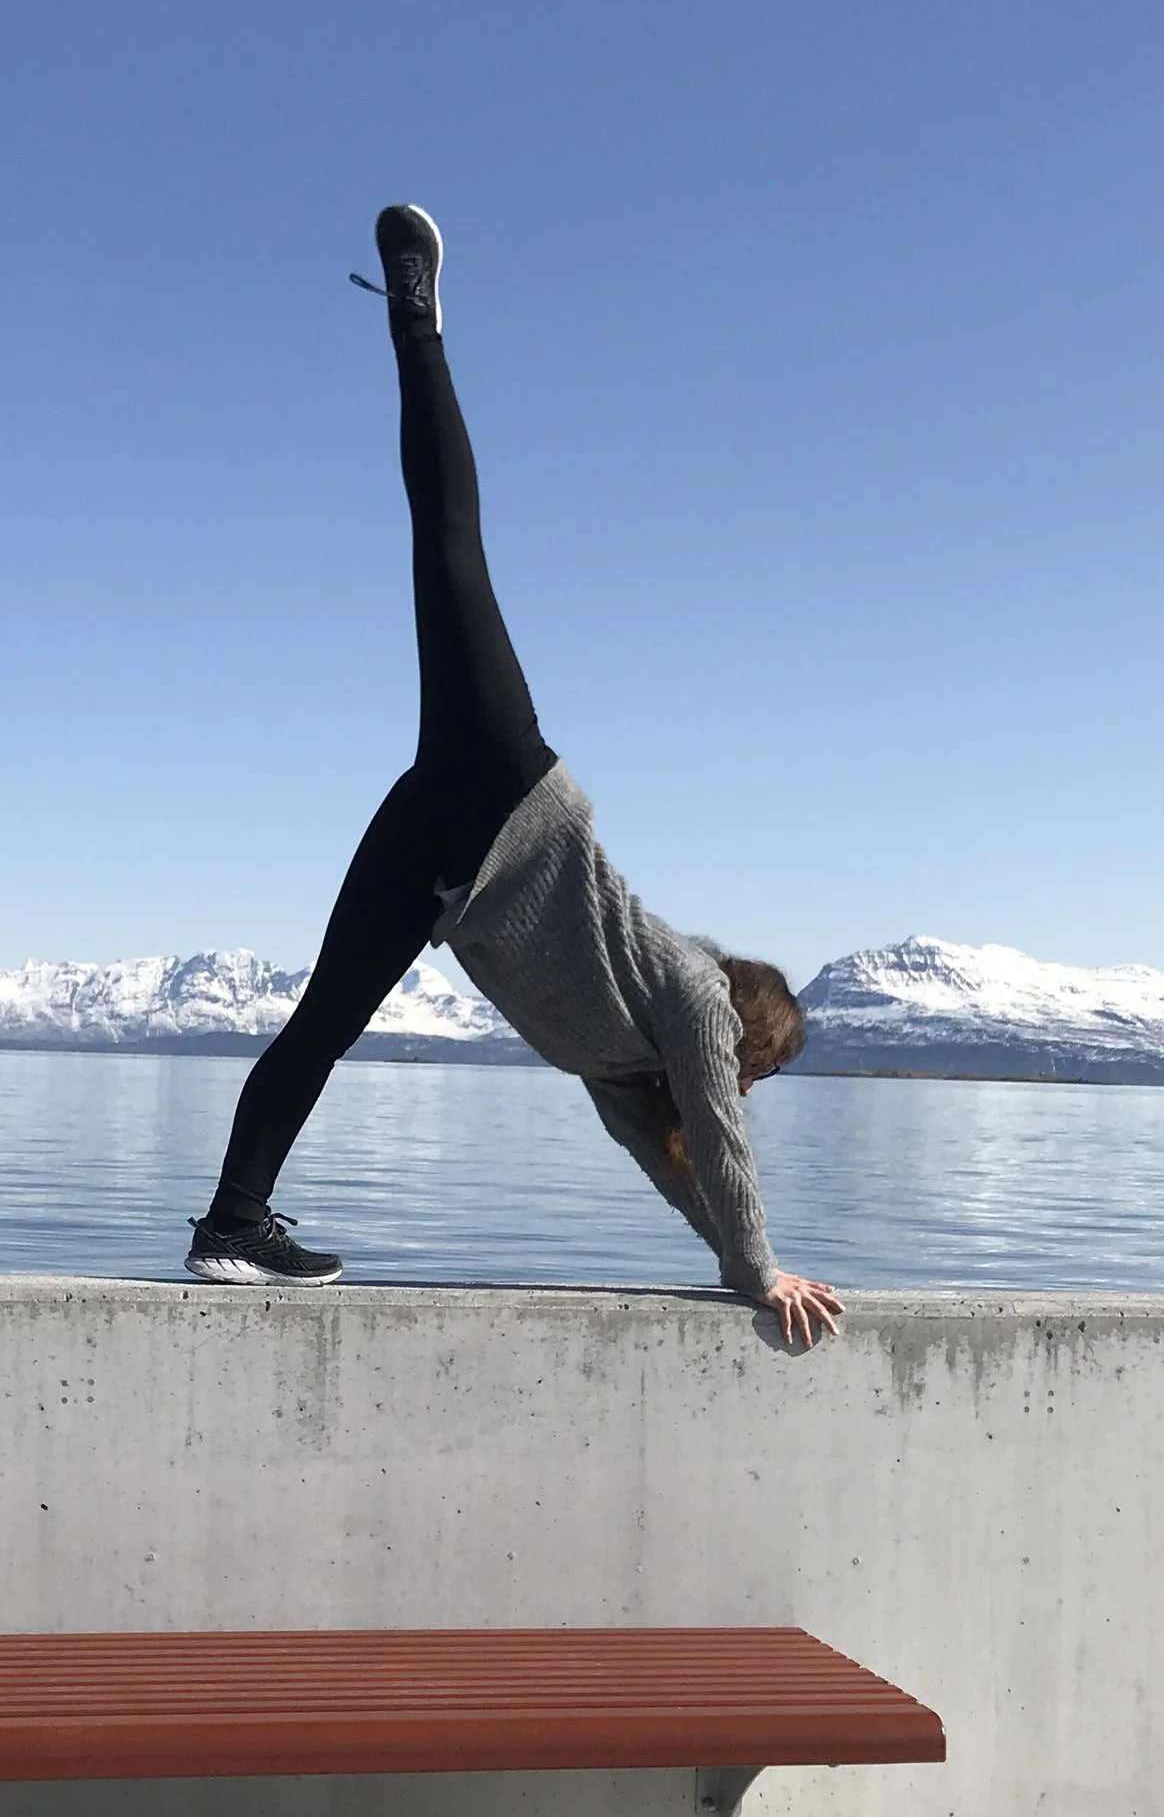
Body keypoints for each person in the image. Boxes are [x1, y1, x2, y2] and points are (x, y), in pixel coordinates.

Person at [185, 205, 844, 1348]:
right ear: (745, 1036)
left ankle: (231, 1227)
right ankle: (417, 323)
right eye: (758, 1069)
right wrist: (766, 1268)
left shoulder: (620, 1068)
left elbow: (690, 1174)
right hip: (505, 789)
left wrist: (750, 1271)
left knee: (320, 1026)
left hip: (449, 877)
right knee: (448, 548)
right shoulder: (685, 996)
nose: (743, 1089)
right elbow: (724, 1148)